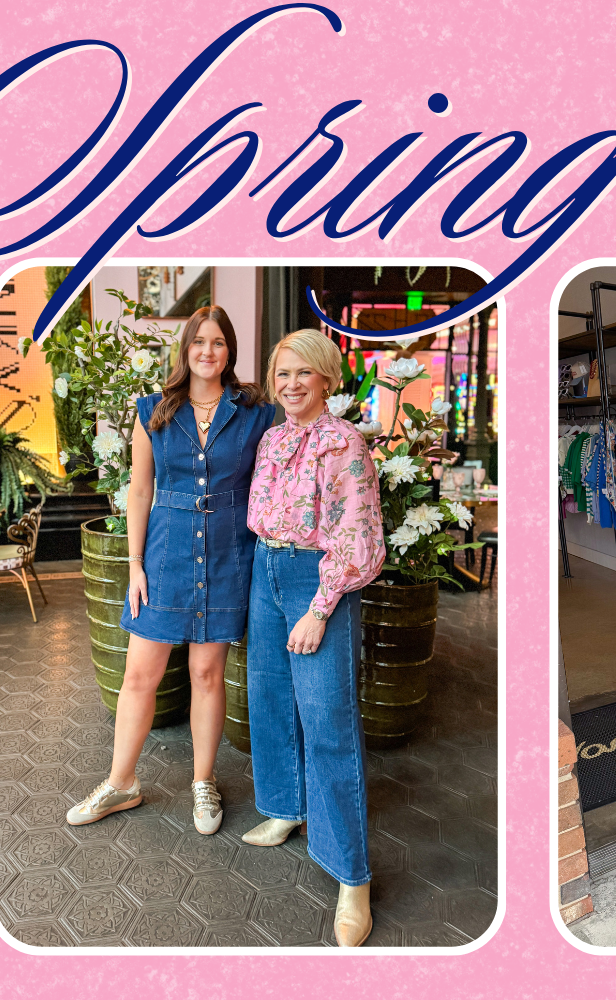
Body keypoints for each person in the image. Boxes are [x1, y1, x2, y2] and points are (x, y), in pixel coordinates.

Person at [67, 306, 273, 838]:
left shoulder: (254, 413)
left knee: (207, 674)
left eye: (218, 342)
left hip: (228, 554)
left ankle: (204, 781)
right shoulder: (154, 410)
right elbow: (140, 490)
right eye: (199, 341)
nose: (208, 351)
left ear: (230, 351)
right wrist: (135, 564)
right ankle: (121, 782)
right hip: (164, 557)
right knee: (140, 675)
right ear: (185, 349)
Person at [240, 330, 387, 947]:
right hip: (265, 570)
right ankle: (285, 808)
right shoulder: (272, 439)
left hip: (316, 577)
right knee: (271, 699)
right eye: (282, 373)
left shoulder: (344, 441)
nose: (292, 384)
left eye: (304, 372)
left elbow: (357, 534)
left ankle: (352, 875)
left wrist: (320, 607)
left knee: (328, 721)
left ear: (327, 377)